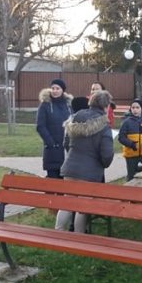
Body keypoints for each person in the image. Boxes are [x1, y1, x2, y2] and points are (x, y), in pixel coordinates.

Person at [55, 90, 115, 233]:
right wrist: (104, 164)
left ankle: (58, 232)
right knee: (82, 206)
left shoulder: (77, 116)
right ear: (106, 106)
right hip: (89, 171)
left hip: (70, 168)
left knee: (67, 201)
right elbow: (107, 153)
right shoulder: (104, 124)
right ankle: (79, 236)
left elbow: (66, 142)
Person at [35, 79, 72, 179]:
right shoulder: (45, 105)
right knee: (52, 180)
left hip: (67, 149)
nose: (55, 91)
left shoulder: (68, 105)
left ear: (62, 90)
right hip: (52, 149)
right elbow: (40, 126)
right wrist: (51, 143)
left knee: (66, 182)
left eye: (57, 88)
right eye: (53, 88)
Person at [118, 98, 142, 180]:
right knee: (131, 176)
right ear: (130, 109)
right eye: (133, 107)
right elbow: (121, 137)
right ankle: (130, 181)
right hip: (130, 155)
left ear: (141, 109)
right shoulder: (126, 122)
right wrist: (131, 144)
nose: (135, 110)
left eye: (137, 107)